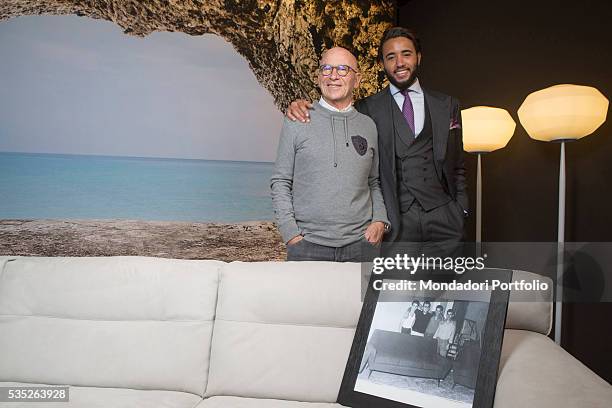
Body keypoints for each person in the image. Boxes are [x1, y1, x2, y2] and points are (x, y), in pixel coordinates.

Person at [286, 27, 468, 257]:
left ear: (419, 57)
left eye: (406, 54)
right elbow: (333, 108)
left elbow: (458, 165)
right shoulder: (366, 109)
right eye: (391, 57)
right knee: (397, 291)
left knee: (445, 289)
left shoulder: (447, 104)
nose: (399, 62)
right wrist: (299, 105)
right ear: (382, 63)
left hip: (445, 220)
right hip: (396, 224)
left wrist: (461, 209)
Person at [271, 47, 390, 262]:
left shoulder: (368, 126)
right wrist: (291, 235)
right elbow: (280, 181)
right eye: (327, 69)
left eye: (343, 69)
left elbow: (373, 182)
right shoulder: (297, 120)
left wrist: (380, 220)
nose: (333, 76)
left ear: (357, 79)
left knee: (359, 298)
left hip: (361, 246)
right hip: (307, 246)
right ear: (318, 77)